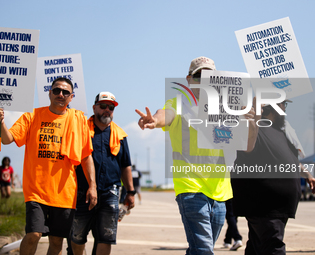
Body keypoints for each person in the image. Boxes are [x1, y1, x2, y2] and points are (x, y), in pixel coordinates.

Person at [135, 56, 253, 254]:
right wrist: (154, 120)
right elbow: (165, 114)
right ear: (189, 79)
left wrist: (250, 119)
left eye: (210, 75)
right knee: (204, 250)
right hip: (191, 188)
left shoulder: (228, 106)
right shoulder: (179, 102)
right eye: (200, 75)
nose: (205, 79)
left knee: (198, 249)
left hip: (220, 192)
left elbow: (246, 144)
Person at [0, 77, 97, 255]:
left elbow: (86, 156)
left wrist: (92, 186)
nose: (60, 94)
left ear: (71, 97)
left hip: (64, 193)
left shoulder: (78, 121)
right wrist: (0, 122)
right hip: (36, 191)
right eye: (56, 90)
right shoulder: (31, 116)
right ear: (49, 93)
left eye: (65, 92)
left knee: (56, 242)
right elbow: (8, 138)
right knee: (33, 233)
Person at [231, 100, 315, 255]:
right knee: (272, 247)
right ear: (272, 108)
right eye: (283, 105)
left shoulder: (279, 131)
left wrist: (308, 175)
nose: (284, 109)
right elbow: (249, 145)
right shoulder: (254, 129)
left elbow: (291, 160)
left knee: (257, 246)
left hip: (276, 207)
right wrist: (252, 120)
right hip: (265, 204)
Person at [70, 92, 135, 255]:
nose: (107, 110)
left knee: (106, 237)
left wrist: (131, 192)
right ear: (94, 107)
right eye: (103, 106)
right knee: (77, 236)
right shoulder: (81, 130)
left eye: (111, 107)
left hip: (110, 193)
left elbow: (125, 165)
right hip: (82, 192)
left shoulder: (120, 135)